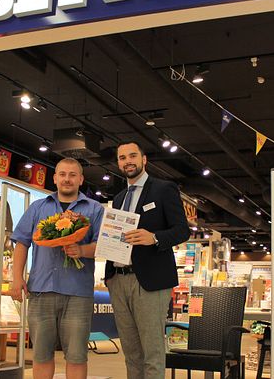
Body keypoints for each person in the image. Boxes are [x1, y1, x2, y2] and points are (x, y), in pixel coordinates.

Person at [10, 158, 104, 379]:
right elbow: (21, 243)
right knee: (41, 355)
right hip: (41, 290)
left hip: (78, 294)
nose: (67, 179)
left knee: (77, 356)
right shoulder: (38, 208)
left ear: (80, 179)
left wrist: (81, 251)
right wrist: (16, 278)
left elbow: (103, 247)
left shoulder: (95, 209)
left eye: (72, 175)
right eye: (62, 174)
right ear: (55, 178)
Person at [105, 141, 190, 379]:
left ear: (144, 160)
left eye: (133, 156)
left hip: (151, 282)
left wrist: (154, 238)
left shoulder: (164, 189)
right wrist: (109, 275)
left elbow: (182, 230)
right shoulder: (119, 198)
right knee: (131, 352)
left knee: (152, 352)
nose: (127, 161)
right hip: (119, 281)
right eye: (122, 158)